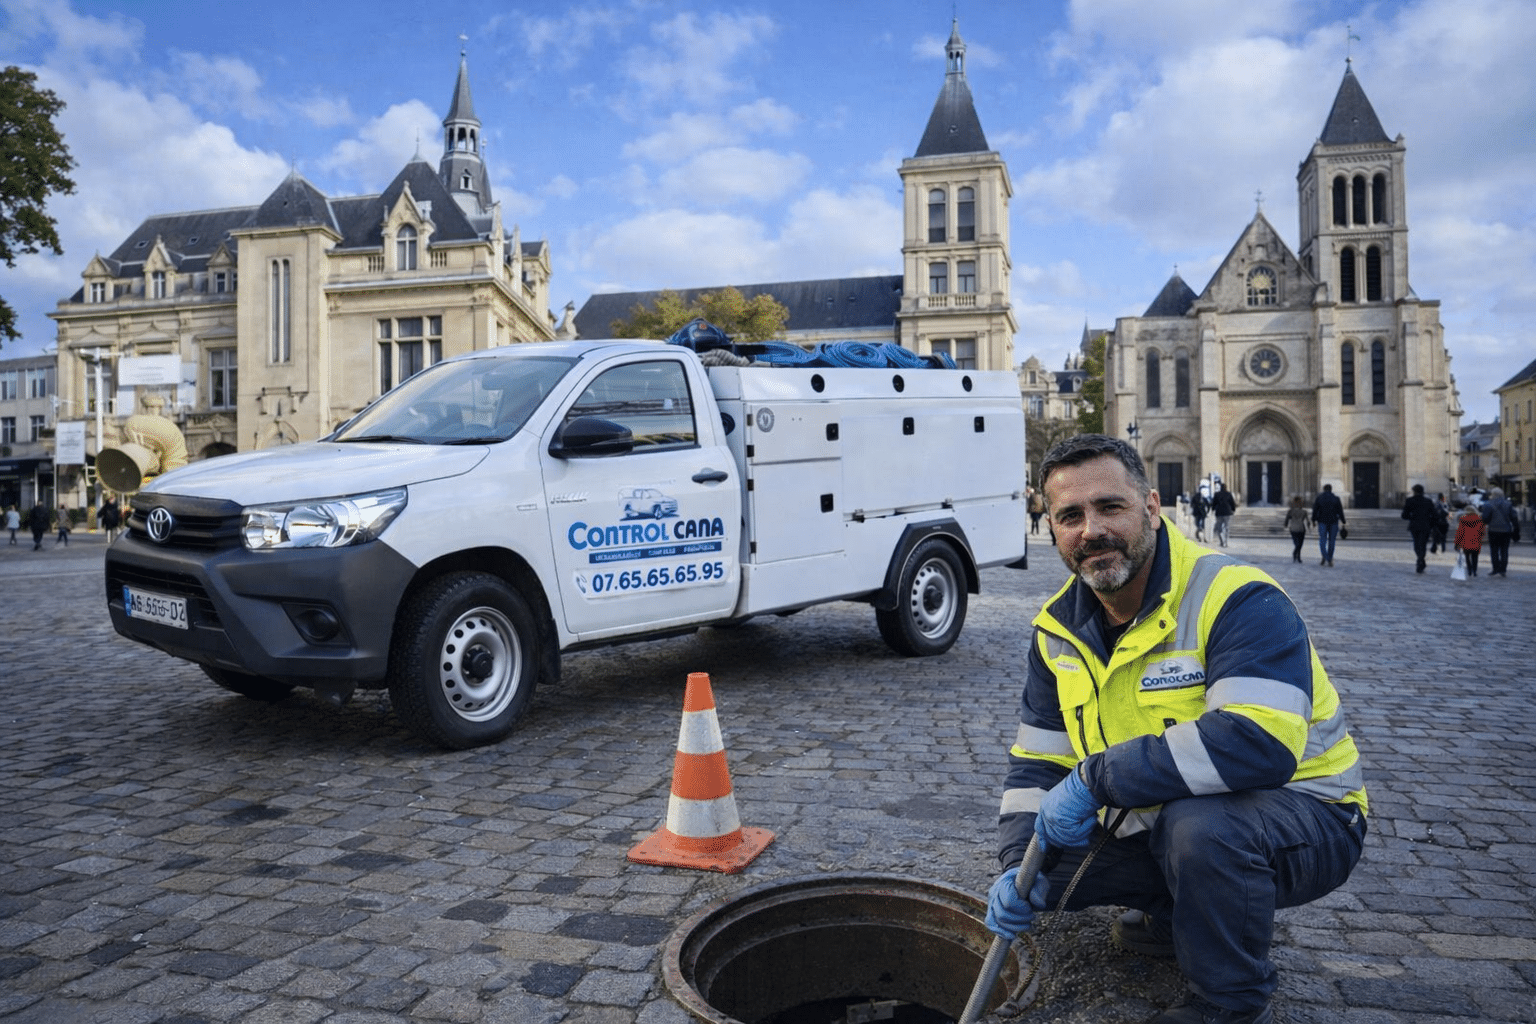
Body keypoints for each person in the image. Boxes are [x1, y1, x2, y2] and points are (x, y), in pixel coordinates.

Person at [986, 434, 1367, 1024]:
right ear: (1052, 528)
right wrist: (1016, 861)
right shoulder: (1055, 630)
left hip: (1308, 813)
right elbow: (1036, 762)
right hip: (1158, 813)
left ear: (1152, 507)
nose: (1091, 531)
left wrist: (1095, 780)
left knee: (1202, 829)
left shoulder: (1238, 596)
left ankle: (1228, 1000)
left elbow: (1259, 743)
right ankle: (1178, 911)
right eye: (1070, 516)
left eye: (1109, 507)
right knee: (1045, 871)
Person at [1481, 487, 1517, 577]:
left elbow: (1485, 518)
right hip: (1506, 530)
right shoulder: (1508, 504)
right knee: (1504, 551)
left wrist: (1488, 521)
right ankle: (1503, 570)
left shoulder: (1488, 504)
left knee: (1494, 550)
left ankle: (1495, 568)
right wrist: (1516, 528)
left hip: (1493, 530)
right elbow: (1514, 517)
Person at [1400, 484, 1436, 574]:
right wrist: (1430, 523)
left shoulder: (1409, 500)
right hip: (1426, 526)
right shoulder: (1428, 501)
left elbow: (1404, 515)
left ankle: (1420, 560)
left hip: (1414, 526)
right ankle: (1421, 560)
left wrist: (1411, 517)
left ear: (1414, 491)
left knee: (1416, 544)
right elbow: (1434, 515)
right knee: (1423, 544)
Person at [1311, 484, 1346, 566]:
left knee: (1322, 540)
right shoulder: (1336, 498)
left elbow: (1315, 510)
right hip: (1333, 521)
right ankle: (1329, 558)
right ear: (1331, 489)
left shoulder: (1319, 498)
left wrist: (1313, 520)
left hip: (1322, 521)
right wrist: (1343, 520)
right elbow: (1340, 511)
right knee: (1332, 541)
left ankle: (1326, 557)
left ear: (1323, 489)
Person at [1454, 500, 1486, 578]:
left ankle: (1469, 570)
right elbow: (1482, 532)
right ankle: (1475, 571)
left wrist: (1457, 543)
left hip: (1466, 542)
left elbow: (1460, 533)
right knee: (1475, 557)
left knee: (1467, 557)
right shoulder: (1479, 519)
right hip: (1476, 542)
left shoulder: (1463, 519)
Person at [1283, 495, 1308, 563]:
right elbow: (1307, 521)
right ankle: (1297, 556)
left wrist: (1285, 524)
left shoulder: (1290, 511)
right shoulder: (1304, 512)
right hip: (1301, 528)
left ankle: (1296, 555)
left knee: (1297, 543)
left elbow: (1286, 520)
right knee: (1299, 544)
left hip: (1293, 528)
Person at [1210, 483, 1236, 547]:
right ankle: (1226, 542)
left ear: (1220, 488)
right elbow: (1232, 503)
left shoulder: (1217, 494)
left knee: (1219, 528)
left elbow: (1214, 504)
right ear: (1226, 488)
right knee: (1227, 527)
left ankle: (1221, 541)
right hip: (1227, 513)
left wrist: (1212, 510)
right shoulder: (1229, 494)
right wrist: (1233, 510)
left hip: (1219, 513)